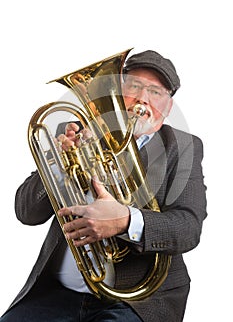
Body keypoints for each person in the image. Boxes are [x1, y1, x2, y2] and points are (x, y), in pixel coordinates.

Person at [0, 50, 207, 322]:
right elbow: (26, 212)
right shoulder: (72, 132)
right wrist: (58, 164)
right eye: (134, 85)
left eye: (155, 92)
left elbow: (188, 228)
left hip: (138, 302)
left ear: (168, 108)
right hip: (55, 295)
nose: (142, 98)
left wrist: (124, 221)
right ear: (118, 93)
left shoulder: (182, 147)